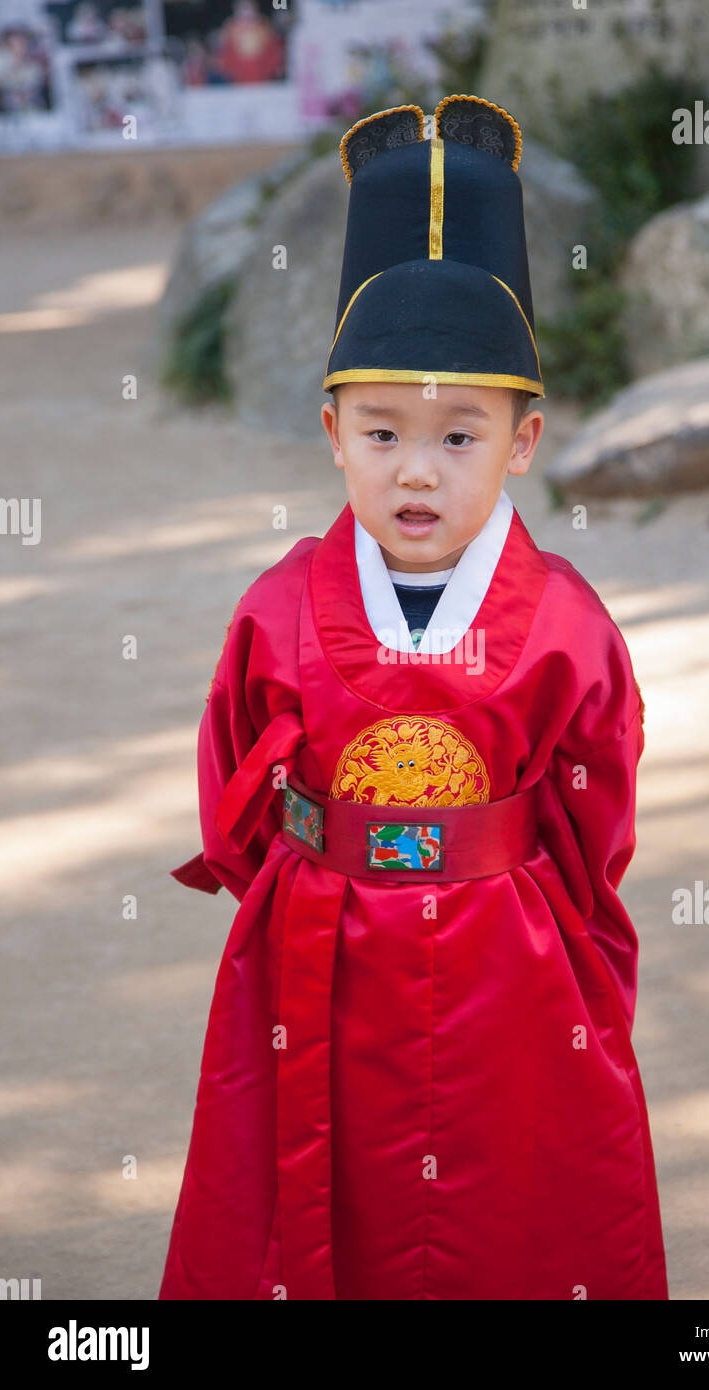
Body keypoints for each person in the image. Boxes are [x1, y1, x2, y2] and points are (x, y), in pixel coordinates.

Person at [159, 95, 668, 1301]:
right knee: (311, 1204)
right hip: (313, 955)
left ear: (524, 440)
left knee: (509, 1205)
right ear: (331, 431)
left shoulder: (565, 625)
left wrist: (546, 924)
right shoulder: (278, 606)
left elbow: (597, 812)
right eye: (381, 430)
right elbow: (233, 782)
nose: (415, 471)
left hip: (508, 961)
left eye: (458, 436)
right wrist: (303, 878)